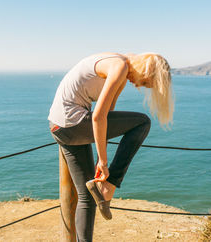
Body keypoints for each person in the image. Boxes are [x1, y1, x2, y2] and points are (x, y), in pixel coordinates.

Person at [48, 52, 174, 241]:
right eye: (146, 83)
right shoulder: (119, 66)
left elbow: (107, 116)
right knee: (143, 123)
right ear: (147, 71)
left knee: (87, 196)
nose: (139, 86)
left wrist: (101, 157)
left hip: (59, 127)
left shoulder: (119, 68)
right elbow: (98, 117)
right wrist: (105, 164)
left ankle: (101, 194)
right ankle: (109, 186)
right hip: (73, 123)